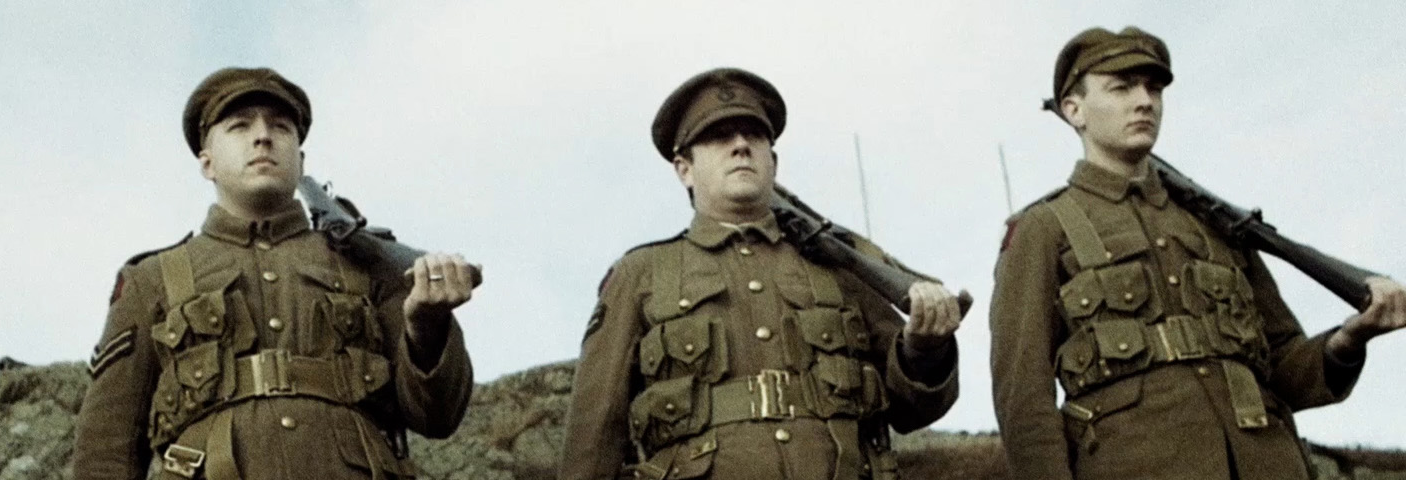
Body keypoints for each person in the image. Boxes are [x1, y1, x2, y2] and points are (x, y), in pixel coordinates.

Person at [989, 26, 1406, 480]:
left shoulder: (1216, 225)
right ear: (1074, 110)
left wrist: (1349, 338)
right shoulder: (1042, 229)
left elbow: (1284, 365)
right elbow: (1023, 400)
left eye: (1153, 88)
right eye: (1121, 88)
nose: (1145, 101)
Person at [73, 67, 478, 480]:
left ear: (301, 161)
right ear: (206, 162)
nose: (263, 136)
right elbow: (104, 453)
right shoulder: (151, 279)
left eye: (281, 127)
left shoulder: (367, 260)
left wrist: (427, 325)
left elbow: (438, 416)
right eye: (239, 126)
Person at [560, 67, 963, 480]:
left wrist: (924, 350)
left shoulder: (839, 264)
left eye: (754, 136)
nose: (740, 146)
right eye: (719, 137)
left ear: (772, 161)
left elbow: (913, 408)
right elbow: (592, 439)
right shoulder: (640, 274)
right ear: (684, 169)